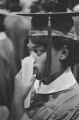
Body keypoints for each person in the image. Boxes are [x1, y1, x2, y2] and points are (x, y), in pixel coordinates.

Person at [8, 1, 79, 120]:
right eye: (29, 50)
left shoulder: (74, 105)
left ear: (63, 52)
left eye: (39, 51)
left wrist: (17, 101)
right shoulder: (32, 85)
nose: (31, 59)